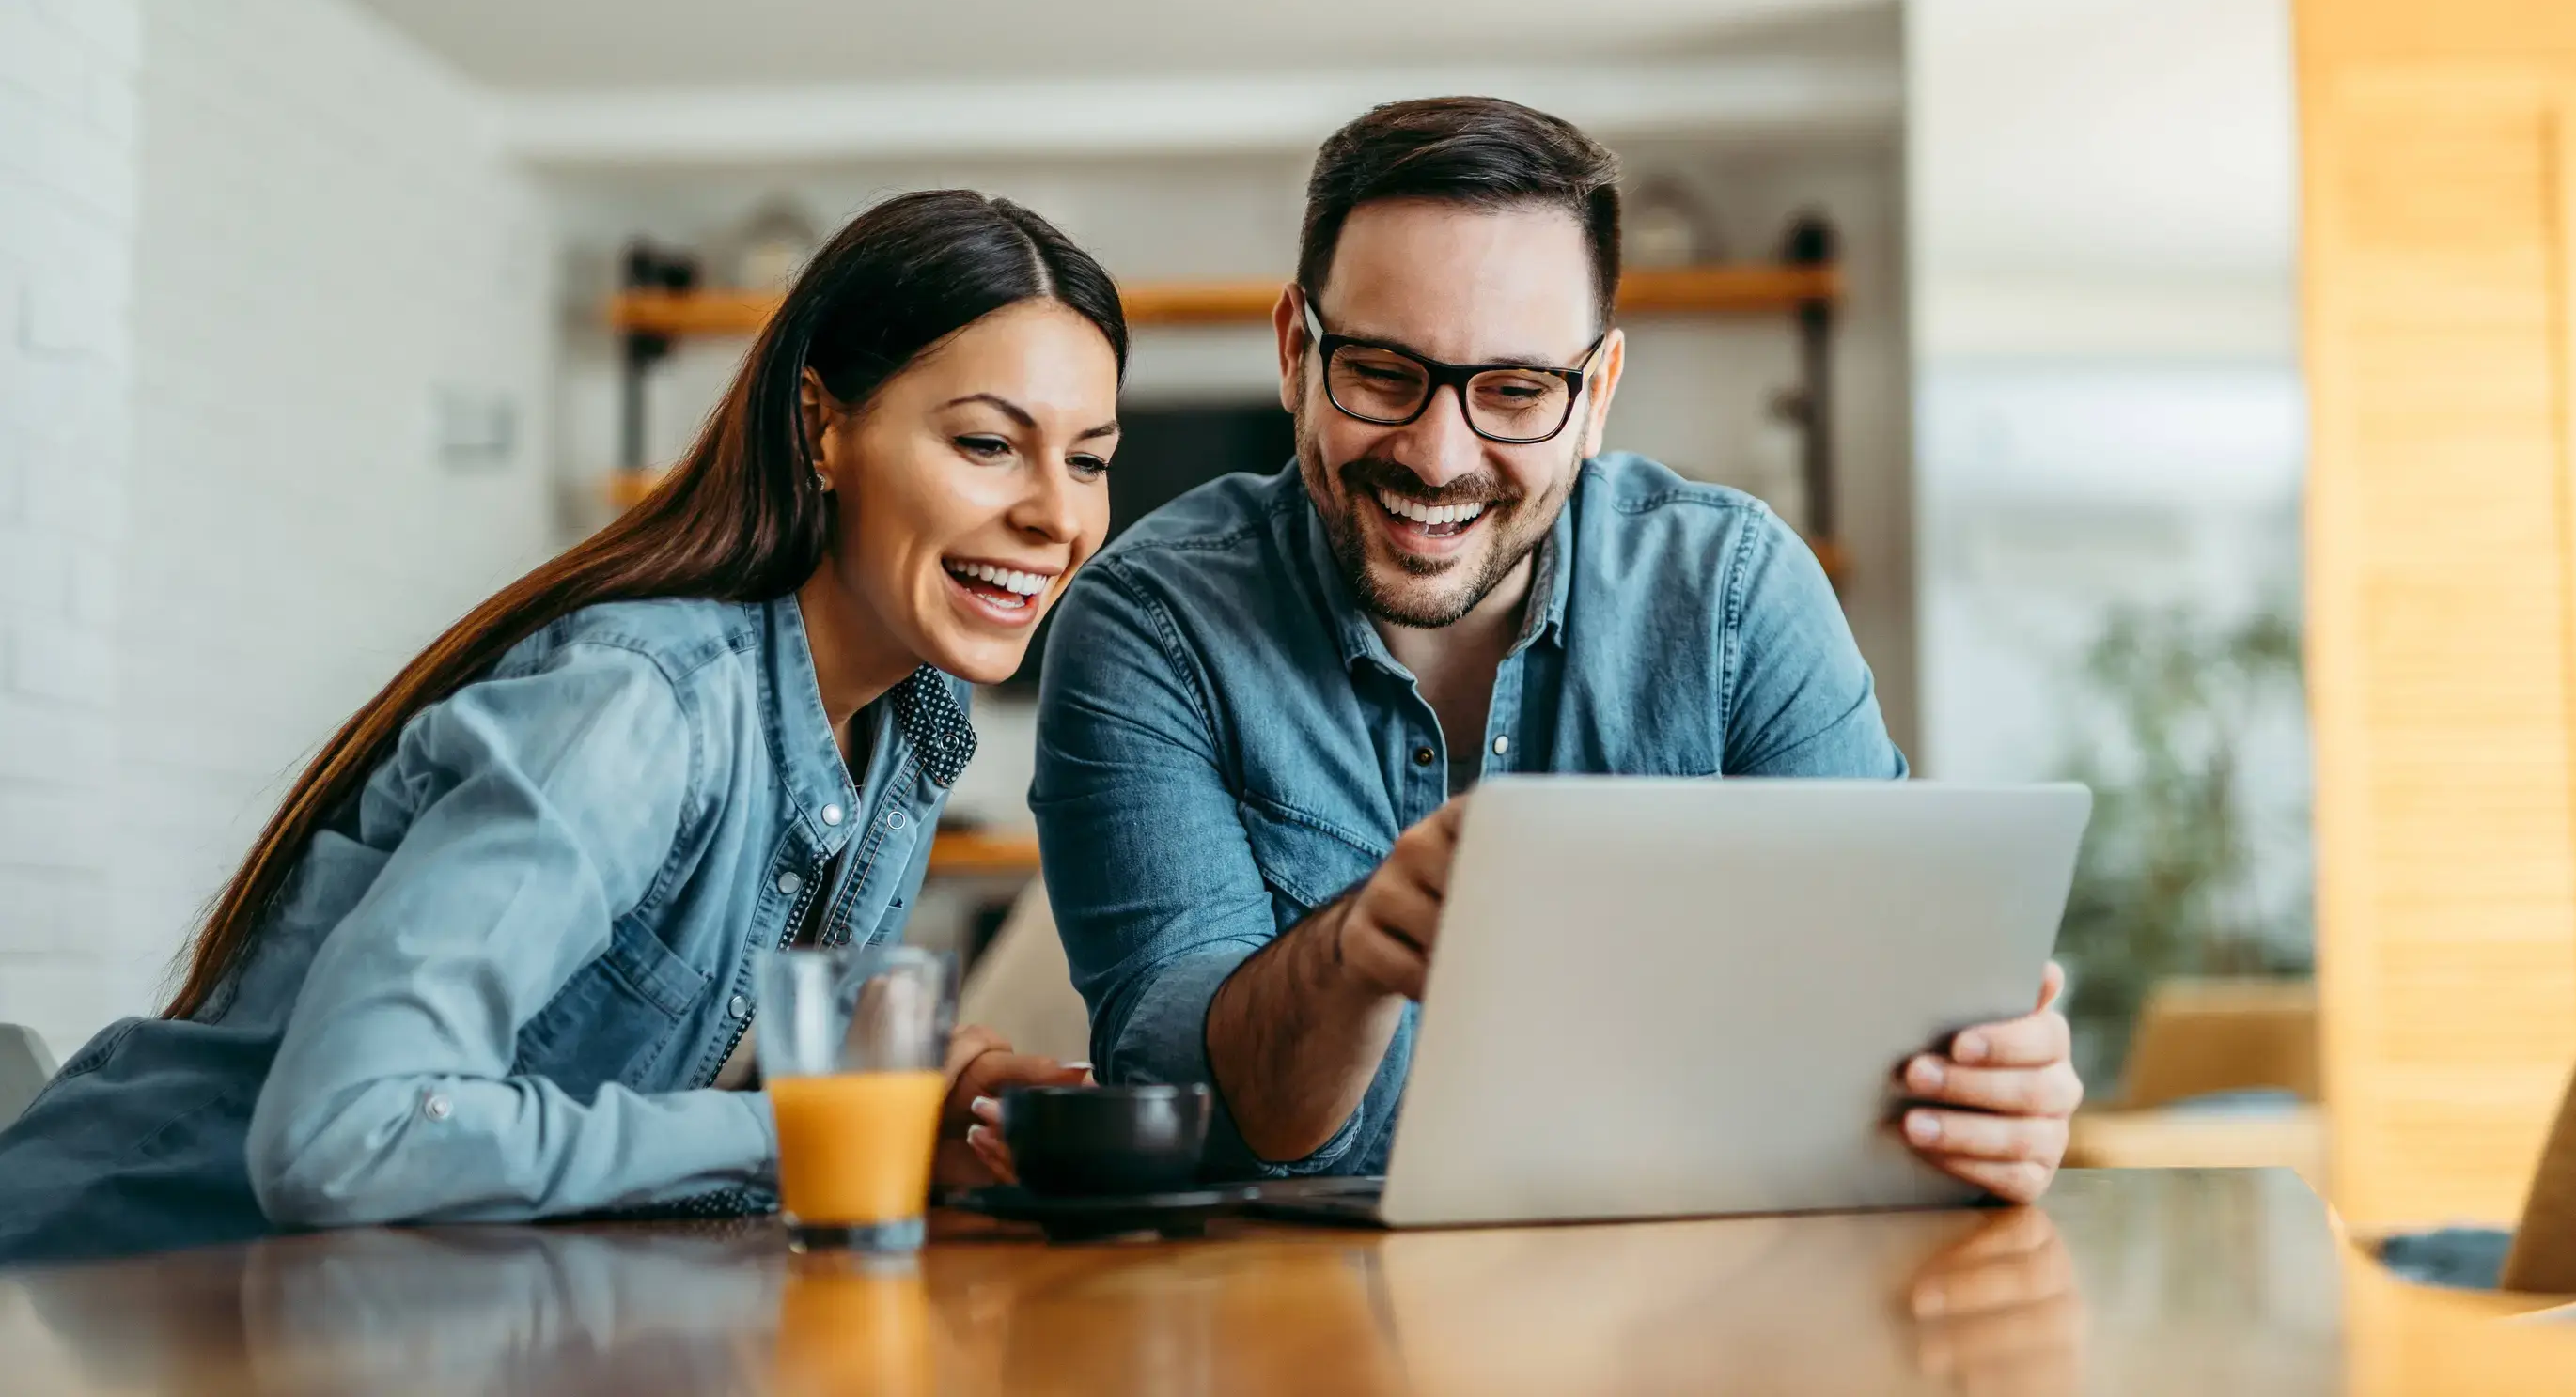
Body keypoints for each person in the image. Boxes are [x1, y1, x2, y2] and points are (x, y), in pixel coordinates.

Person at [0, 192, 1116, 1263]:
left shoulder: (906, 730)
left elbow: (740, 1090)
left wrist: (937, 1093)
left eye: (1088, 459)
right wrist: (826, 1133)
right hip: (100, 1292)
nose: (1057, 515)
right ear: (821, 426)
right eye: (985, 443)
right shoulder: (639, 706)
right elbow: (345, 1134)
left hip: (379, 1320)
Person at [1035, 97, 2081, 1201]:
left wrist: (1987, 1102)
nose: (1439, 456)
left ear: (1597, 394)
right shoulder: (1147, 624)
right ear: (1297, 350)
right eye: (1384, 374)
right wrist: (1349, 959)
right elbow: (1185, 1112)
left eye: (1517, 390)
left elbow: (1878, 1023)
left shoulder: (1736, 593)